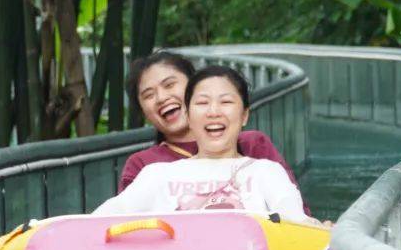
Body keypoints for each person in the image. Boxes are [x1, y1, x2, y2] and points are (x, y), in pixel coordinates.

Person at [96, 65, 313, 222]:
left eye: (226, 102)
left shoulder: (266, 172)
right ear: (188, 116)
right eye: (202, 103)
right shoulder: (156, 175)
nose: (213, 112)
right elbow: (104, 219)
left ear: (245, 115)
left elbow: (295, 219)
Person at [118, 50, 296, 192]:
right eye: (148, 95)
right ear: (142, 111)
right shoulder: (145, 167)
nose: (161, 97)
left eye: (169, 85)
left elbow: (297, 215)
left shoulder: (253, 146)